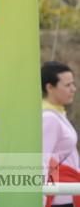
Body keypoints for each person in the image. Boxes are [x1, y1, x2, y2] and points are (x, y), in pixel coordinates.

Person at [42, 61, 79, 207]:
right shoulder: (49, 118)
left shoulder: (58, 113)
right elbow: (42, 159)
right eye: (67, 85)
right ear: (50, 87)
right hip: (60, 197)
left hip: (69, 191)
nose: (73, 89)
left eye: (73, 84)